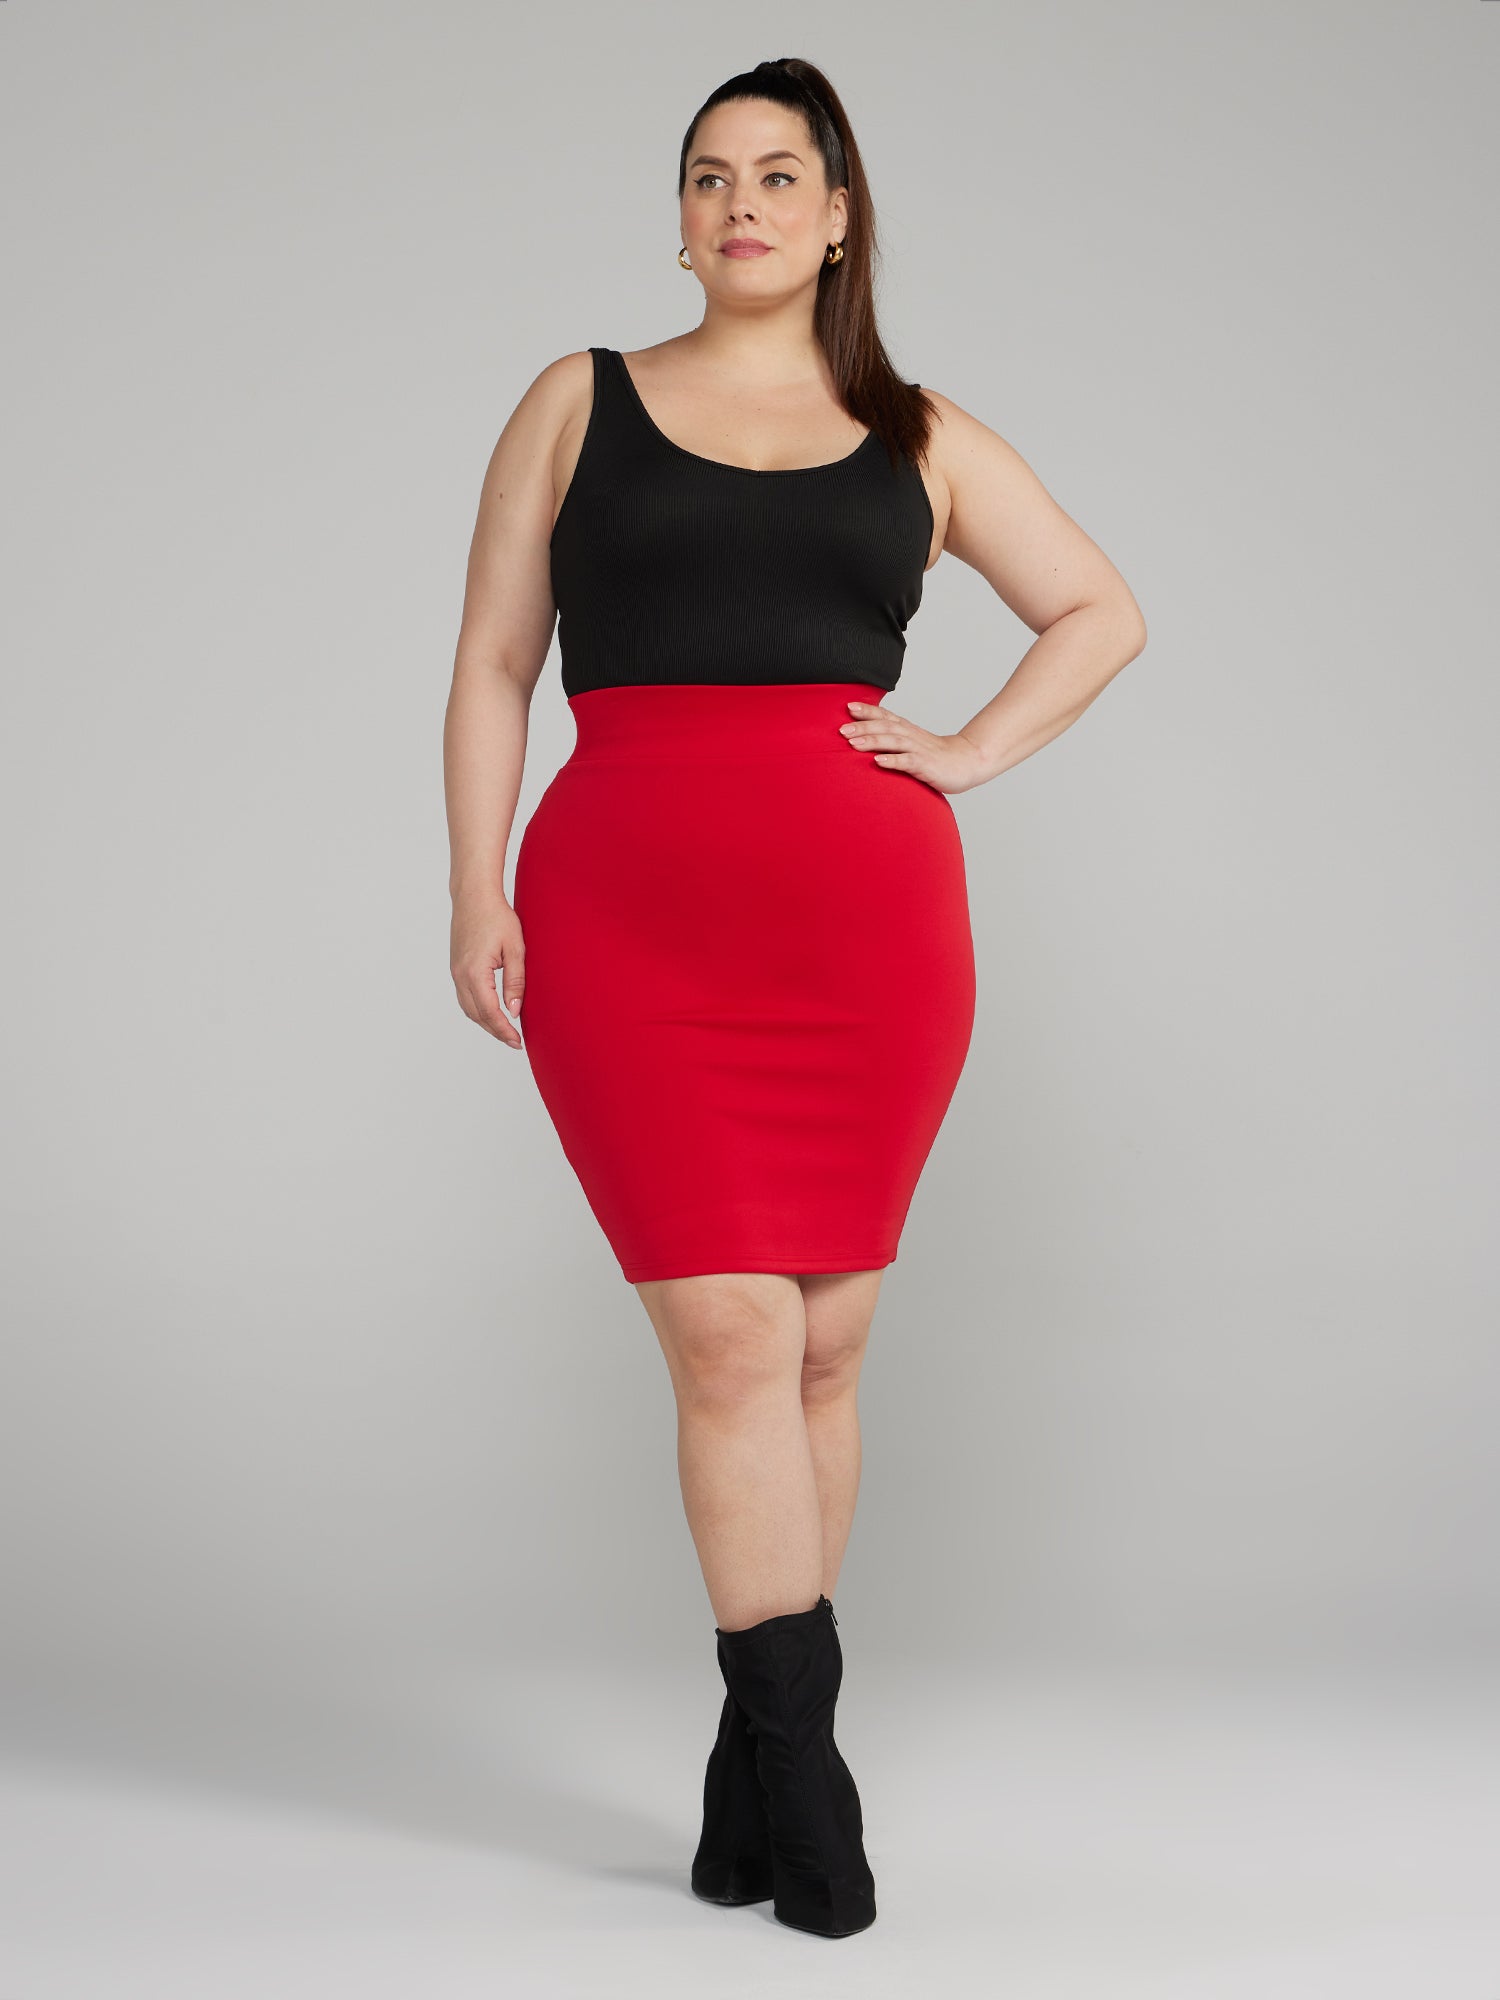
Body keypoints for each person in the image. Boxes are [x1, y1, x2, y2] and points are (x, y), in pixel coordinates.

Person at [443, 57, 1146, 1940]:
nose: (740, 202)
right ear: (678, 220)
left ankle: (748, 1770)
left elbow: (1099, 609)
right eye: (708, 176)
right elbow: (497, 662)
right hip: (627, 924)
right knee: (735, 1340)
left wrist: (971, 749)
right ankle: (812, 1790)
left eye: (778, 176)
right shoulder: (577, 400)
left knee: (828, 1349)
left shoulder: (919, 432)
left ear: (839, 218)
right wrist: (474, 883)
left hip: (866, 937)